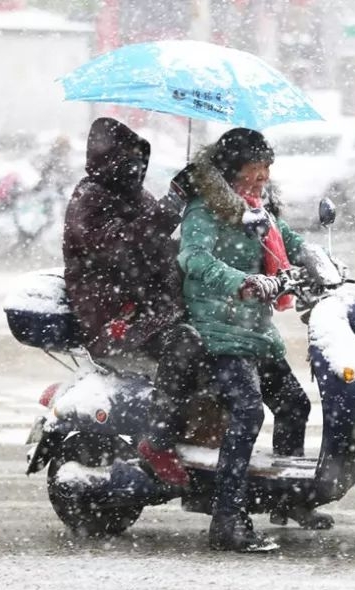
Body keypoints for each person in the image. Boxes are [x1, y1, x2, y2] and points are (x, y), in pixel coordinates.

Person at [179, 128, 331, 553]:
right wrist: (242, 282)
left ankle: (289, 501)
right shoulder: (204, 211)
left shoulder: (257, 211)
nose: (262, 176)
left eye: (266, 168)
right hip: (215, 330)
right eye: (253, 169)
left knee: (294, 404)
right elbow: (193, 259)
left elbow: (291, 241)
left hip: (253, 331)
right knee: (246, 411)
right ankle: (227, 517)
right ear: (231, 171)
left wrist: (318, 260)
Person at [62, 117, 202, 488]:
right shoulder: (88, 199)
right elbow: (123, 248)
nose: (136, 170)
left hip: (148, 306)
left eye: (141, 162)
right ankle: (157, 441)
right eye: (127, 162)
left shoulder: (137, 197)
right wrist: (173, 202)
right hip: (112, 315)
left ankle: (205, 439)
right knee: (184, 342)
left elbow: (158, 246)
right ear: (107, 162)